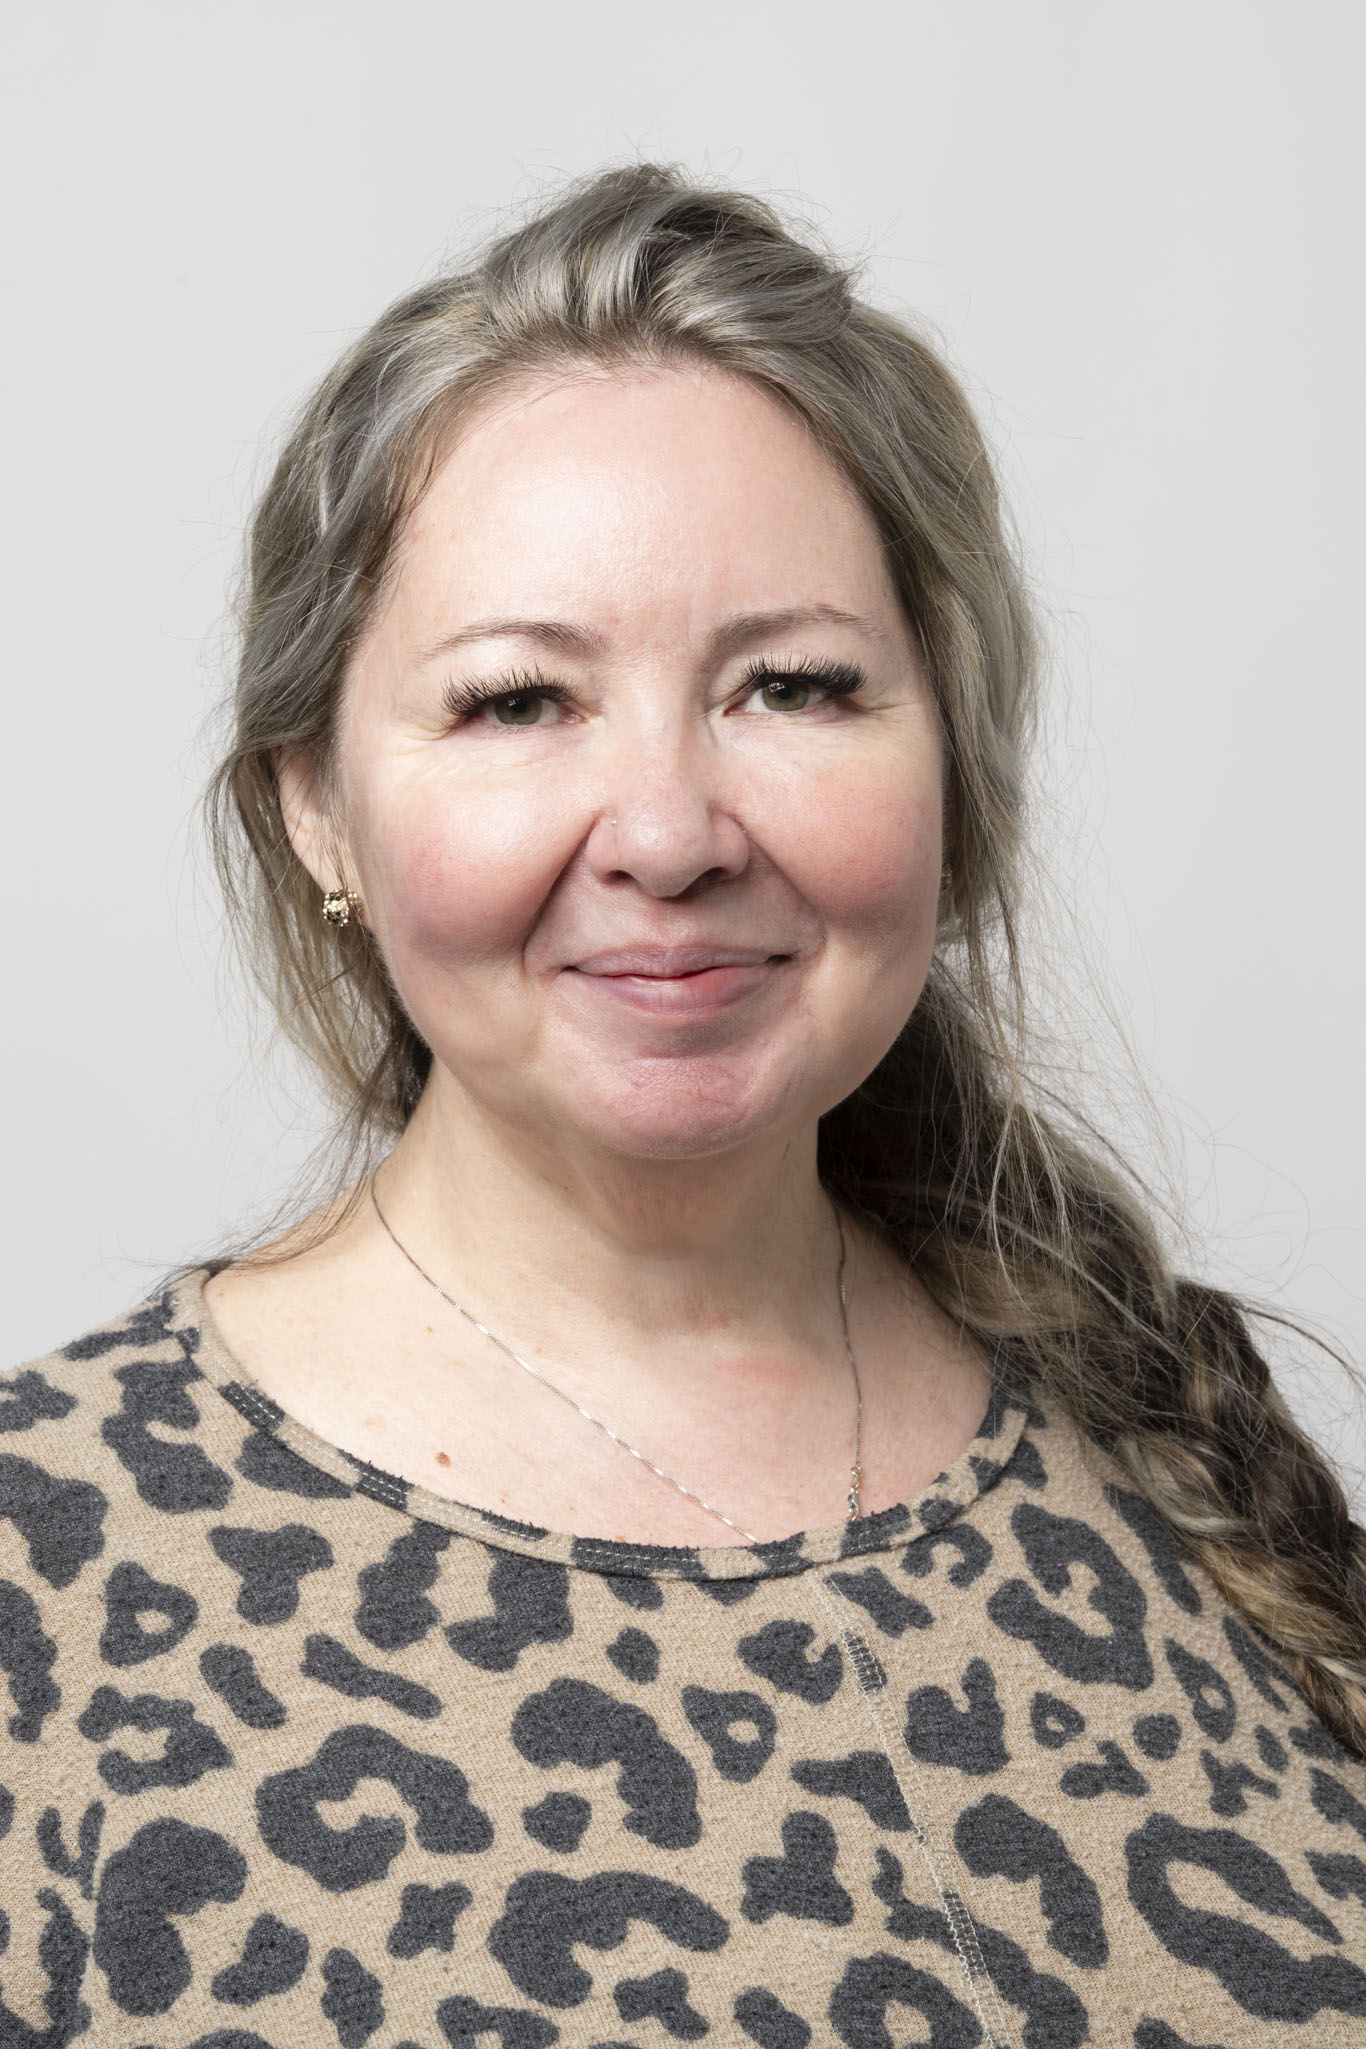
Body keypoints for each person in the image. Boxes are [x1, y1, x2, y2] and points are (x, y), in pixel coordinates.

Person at [3, 162, 1364, 2049]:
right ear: (316, 804)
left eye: (793, 686)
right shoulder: (45, 1578)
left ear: (950, 768)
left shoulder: (1169, 1433)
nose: (665, 830)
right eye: (515, 704)